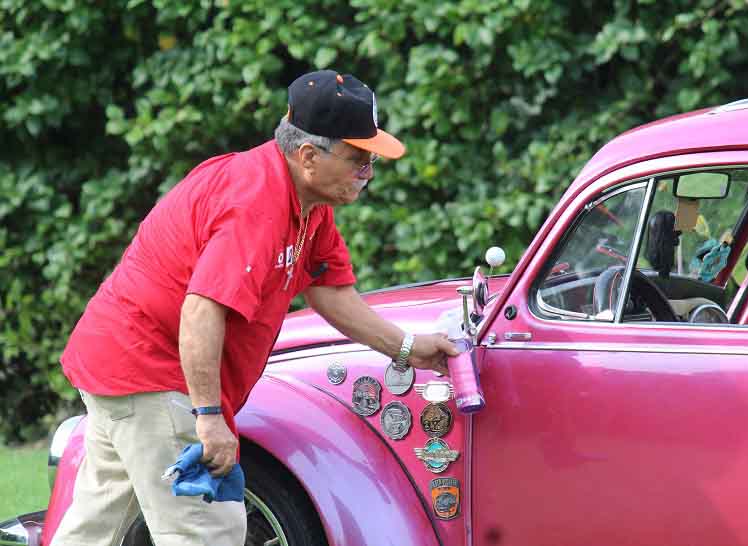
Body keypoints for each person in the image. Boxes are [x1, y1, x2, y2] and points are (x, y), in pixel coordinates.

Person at [51, 69, 458, 546]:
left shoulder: (309, 204)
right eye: (358, 159)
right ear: (308, 155)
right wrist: (207, 417)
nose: (367, 173)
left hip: (121, 362)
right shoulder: (255, 203)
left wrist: (408, 347)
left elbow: (329, 290)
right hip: (151, 372)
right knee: (207, 532)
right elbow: (201, 310)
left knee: (96, 529)